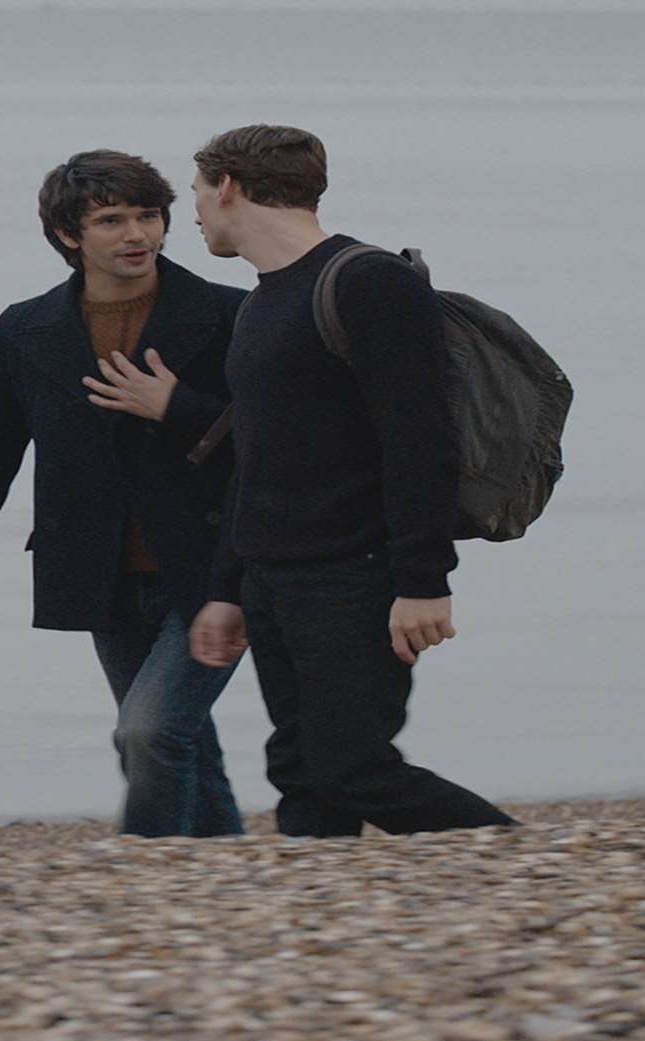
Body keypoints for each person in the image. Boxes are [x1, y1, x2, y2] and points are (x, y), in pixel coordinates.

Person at [184, 124, 516, 836]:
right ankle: (312, 922)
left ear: (230, 188)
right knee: (302, 770)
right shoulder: (262, 301)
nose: (196, 214)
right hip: (273, 578)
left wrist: (424, 580)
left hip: (354, 576)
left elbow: (420, 443)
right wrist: (226, 590)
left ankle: (520, 862)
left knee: (354, 767)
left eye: (198, 194)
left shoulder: (369, 283)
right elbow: (255, 460)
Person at [0, 150, 249, 837]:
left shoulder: (231, 314)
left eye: (149, 215)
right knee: (174, 737)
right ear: (70, 235)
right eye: (111, 220)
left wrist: (178, 408)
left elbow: (287, 441)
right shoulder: (24, 330)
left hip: (217, 566)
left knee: (148, 733)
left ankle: (147, 874)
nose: (137, 234)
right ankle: (226, 872)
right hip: (101, 571)